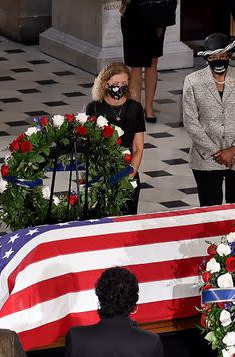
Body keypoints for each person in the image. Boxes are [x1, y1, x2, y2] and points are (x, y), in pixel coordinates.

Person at [182, 33, 235, 207]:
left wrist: (233, 150)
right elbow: (190, 122)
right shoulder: (193, 81)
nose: (218, 60)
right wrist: (216, 152)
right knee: (210, 211)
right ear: (206, 58)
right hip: (206, 158)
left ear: (229, 55)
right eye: (213, 57)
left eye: (222, 56)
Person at [86, 62, 146, 215]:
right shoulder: (94, 108)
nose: (120, 87)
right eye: (116, 84)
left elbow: (138, 148)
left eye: (124, 83)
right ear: (106, 84)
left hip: (128, 170)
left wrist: (128, 176)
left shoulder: (135, 108)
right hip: (101, 174)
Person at [120, 0, 177, 122]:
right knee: (136, 64)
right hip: (133, 12)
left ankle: (149, 107)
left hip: (156, 12)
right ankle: (136, 107)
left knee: (152, 62)